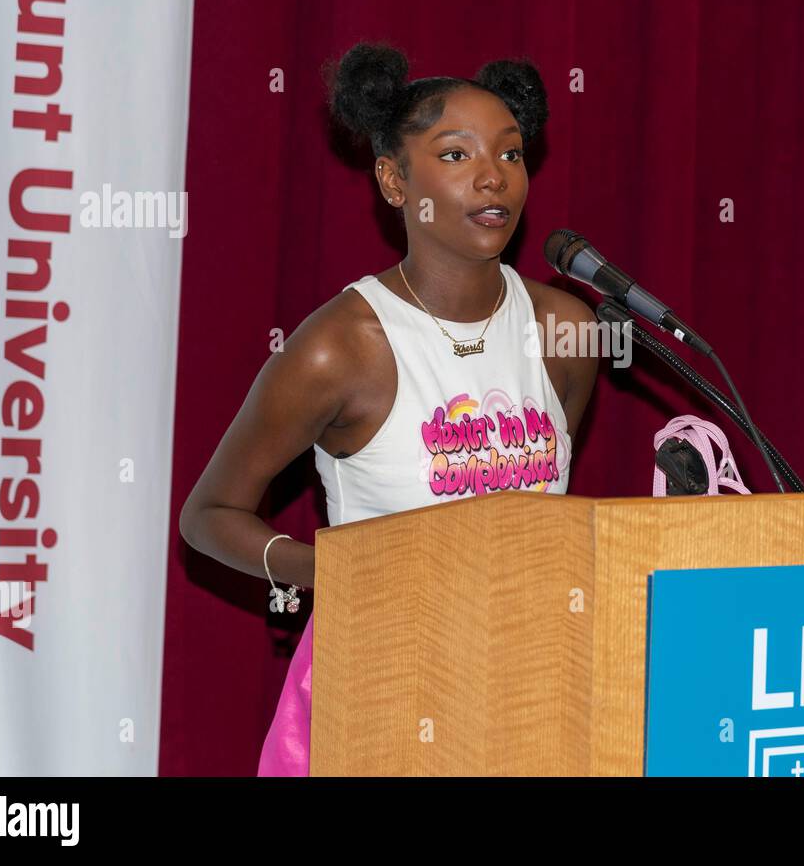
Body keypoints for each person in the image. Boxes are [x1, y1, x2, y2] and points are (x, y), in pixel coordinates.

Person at [179, 41, 600, 776]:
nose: (493, 174)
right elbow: (207, 515)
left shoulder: (568, 329)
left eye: (510, 153)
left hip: (531, 687)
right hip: (385, 686)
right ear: (393, 180)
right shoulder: (343, 347)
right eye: (456, 155)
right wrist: (326, 572)